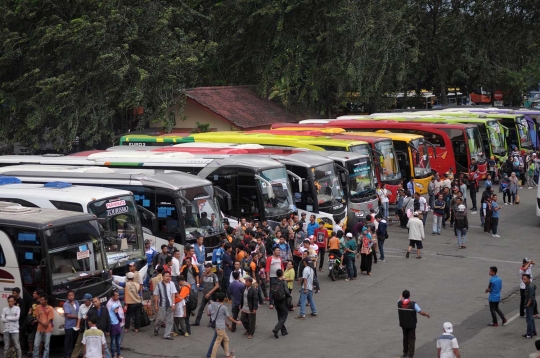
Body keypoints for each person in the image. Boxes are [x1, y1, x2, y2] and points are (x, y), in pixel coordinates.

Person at [397, 290, 430, 358]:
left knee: (405, 338)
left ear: (403, 296)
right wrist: (427, 314)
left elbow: (399, 299)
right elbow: (421, 312)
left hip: (403, 324)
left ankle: (405, 352)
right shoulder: (413, 304)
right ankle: (411, 355)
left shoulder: (399, 303)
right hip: (411, 325)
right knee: (411, 339)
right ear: (409, 296)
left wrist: (401, 296)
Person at [208, 292, 242, 358]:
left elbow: (210, 300)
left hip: (217, 325)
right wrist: (236, 322)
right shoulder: (224, 308)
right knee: (217, 342)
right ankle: (213, 356)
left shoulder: (214, 304)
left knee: (226, 339)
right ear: (223, 299)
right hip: (221, 327)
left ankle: (227, 354)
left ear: (217, 299)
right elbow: (229, 317)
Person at [153, 271, 177, 340]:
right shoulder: (159, 285)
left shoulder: (172, 284)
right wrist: (156, 305)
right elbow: (156, 295)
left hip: (170, 304)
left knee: (170, 320)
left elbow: (173, 294)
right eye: (166, 276)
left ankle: (167, 335)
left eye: (169, 276)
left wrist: (173, 304)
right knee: (161, 319)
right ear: (163, 277)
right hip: (162, 304)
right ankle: (156, 328)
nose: (168, 278)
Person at [33, 293, 54, 358]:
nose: (40, 301)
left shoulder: (50, 308)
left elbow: (50, 319)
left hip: (48, 329)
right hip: (39, 328)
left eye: (42, 300)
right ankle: (36, 356)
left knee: (46, 345)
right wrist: (43, 324)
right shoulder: (38, 307)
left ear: (46, 300)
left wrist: (44, 325)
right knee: (36, 344)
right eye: (40, 300)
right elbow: (37, 316)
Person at [72, 293, 93, 358]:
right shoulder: (81, 306)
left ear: (90, 300)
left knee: (90, 344)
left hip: (90, 328)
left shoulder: (93, 307)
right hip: (83, 328)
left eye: (86, 300)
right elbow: (79, 317)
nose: (85, 302)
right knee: (78, 343)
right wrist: (78, 325)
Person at [272, 268, 291, 338]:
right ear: (282, 274)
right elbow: (286, 291)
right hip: (283, 301)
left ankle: (283, 331)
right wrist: (290, 296)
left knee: (280, 316)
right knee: (284, 315)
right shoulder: (283, 282)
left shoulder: (274, 282)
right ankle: (276, 329)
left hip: (276, 301)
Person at [63, 290, 80, 358]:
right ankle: (67, 354)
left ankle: (73, 353)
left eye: (72, 295)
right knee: (68, 340)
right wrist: (77, 317)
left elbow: (79, 311)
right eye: (69, 295)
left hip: (76, 325)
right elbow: (68, 315)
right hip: (69, 326)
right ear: (67, 296)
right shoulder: (66, 304)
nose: (71, 296)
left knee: (74, 340)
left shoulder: (76, 302)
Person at [523, 274, 537, 339]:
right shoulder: (528, 285)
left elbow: (530, 298)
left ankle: (529, 334)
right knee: (531, 318)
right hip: (530, 304)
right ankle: (533, 331)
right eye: (523, 279)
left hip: (530, 304)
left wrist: (527, 305)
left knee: (529, 319)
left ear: (528, 279)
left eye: (525, 279)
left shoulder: (530, 287)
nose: (523, 280)